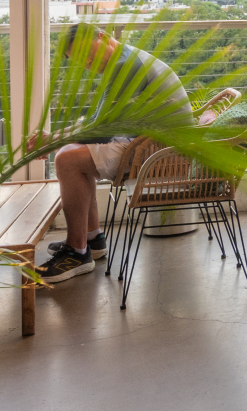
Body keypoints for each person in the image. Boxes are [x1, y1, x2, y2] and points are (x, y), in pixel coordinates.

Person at [38, 24, 192, 284]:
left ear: (103, 37)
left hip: (163, 153)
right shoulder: (123, 59)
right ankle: (91, 239)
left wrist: (53, 143)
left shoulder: (125, 66)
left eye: (88, 53)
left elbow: (100, 133)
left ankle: (77, 253)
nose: (88, 63)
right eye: (81, 61)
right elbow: (98, 122)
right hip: (149, 142)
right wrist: (54, 138)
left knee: (67, 159)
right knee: (71, 152)